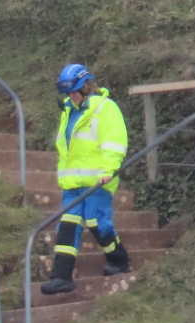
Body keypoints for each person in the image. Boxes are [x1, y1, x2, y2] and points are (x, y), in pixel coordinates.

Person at [41, 63, 130, 295]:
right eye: (68, 93)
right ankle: (61, 276)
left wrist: (108, 169)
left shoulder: (105, 108)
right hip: (73, 184)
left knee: (97, 223)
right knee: (67, 227)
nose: (71, 96)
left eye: (74, 91)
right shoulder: (68, 111)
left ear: (86, 87)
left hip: (98, 182)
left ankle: (119, 260)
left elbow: (114, 143)